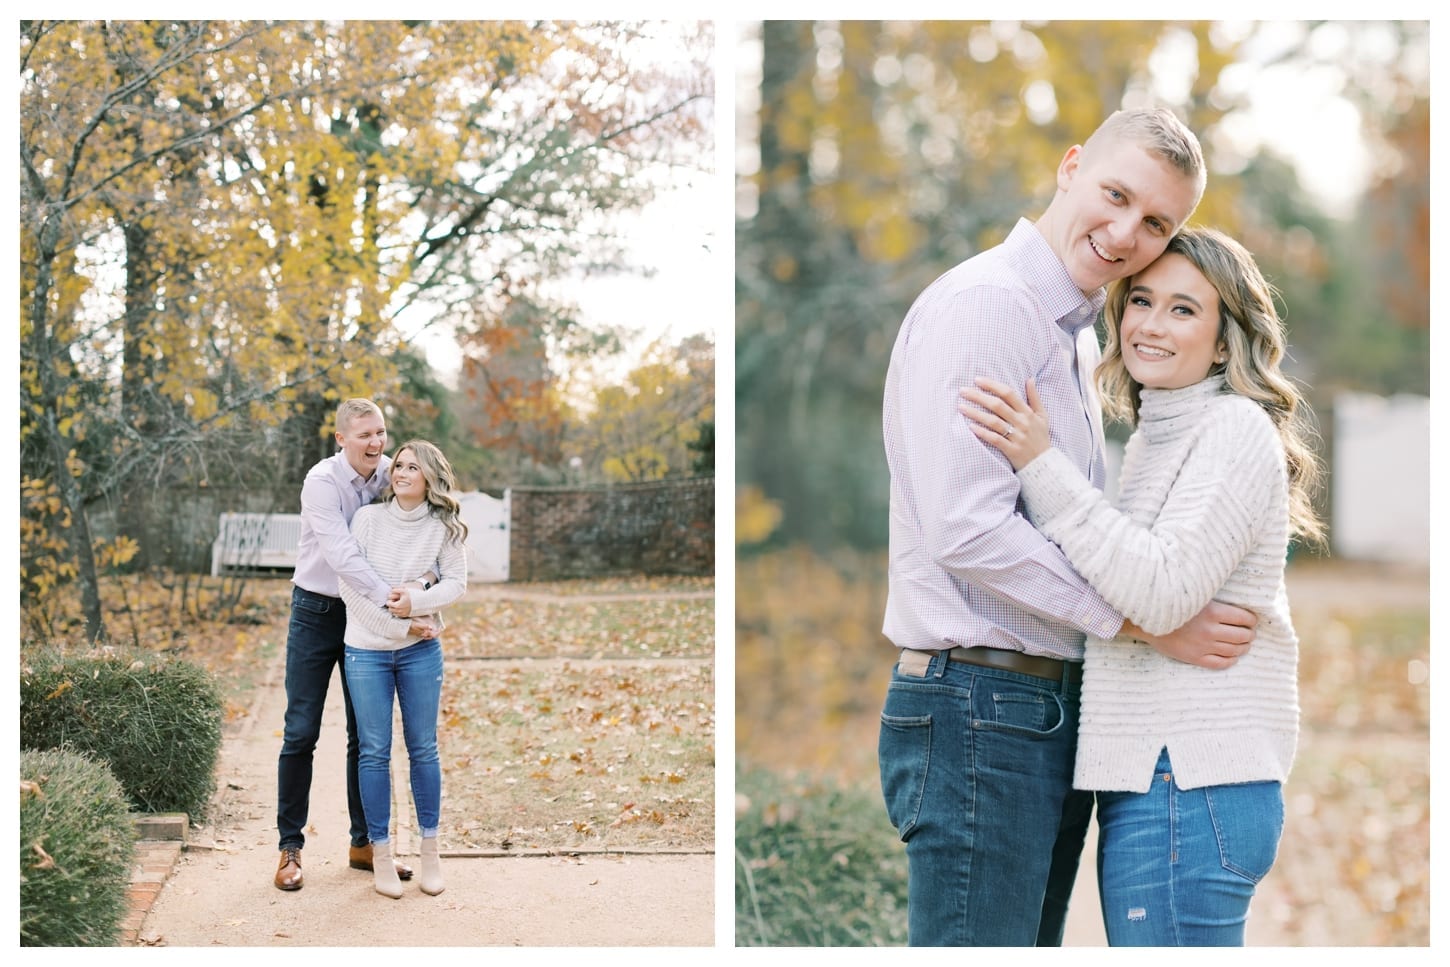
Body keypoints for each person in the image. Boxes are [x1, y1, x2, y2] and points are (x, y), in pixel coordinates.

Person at [878, 108, 1260, 946]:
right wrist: (1134, 621)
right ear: (1071, 166)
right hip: (979, 697)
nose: (1126, 233)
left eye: (1157, 222)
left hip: (1033, 706)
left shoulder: (1072, 339)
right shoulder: (992, 309)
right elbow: (967, 530)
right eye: (1115, 194)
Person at [959, 227, 1322, 945]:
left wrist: (1041, 463)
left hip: (1188, 781)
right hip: (1163, 781)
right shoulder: (1162, 437)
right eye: (1143, 300)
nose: (1152, 324)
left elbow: (1157, 591)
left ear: (1225, 340)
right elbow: (1142, 590)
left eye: (1185, 309)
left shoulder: (1232, 429)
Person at [274, 398, 428, 891]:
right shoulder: (322, 481)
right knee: (301, 730)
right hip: (318, 610)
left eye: (381, 432)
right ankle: (289, 849)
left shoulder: (394, 473)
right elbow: (340, 552)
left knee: (367, 735)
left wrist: (422, 587)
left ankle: (365, 844)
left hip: (369, 618)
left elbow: (428, 523)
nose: (376, 443)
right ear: (340, 439)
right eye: (364, 435)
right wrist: (390, 596)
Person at [337, 439, 468, 898]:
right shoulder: (368, 520)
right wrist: (403, 628)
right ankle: (383, 857)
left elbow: (456, 583)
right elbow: (350, 588)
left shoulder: (442, 527)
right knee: (374, 752)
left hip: (422, 653)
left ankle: (430, 852)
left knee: (423, 749)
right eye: (399, 466)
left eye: (413, 467)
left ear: (430, 476)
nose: (401, 472)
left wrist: (418, 601)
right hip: (367, 651)